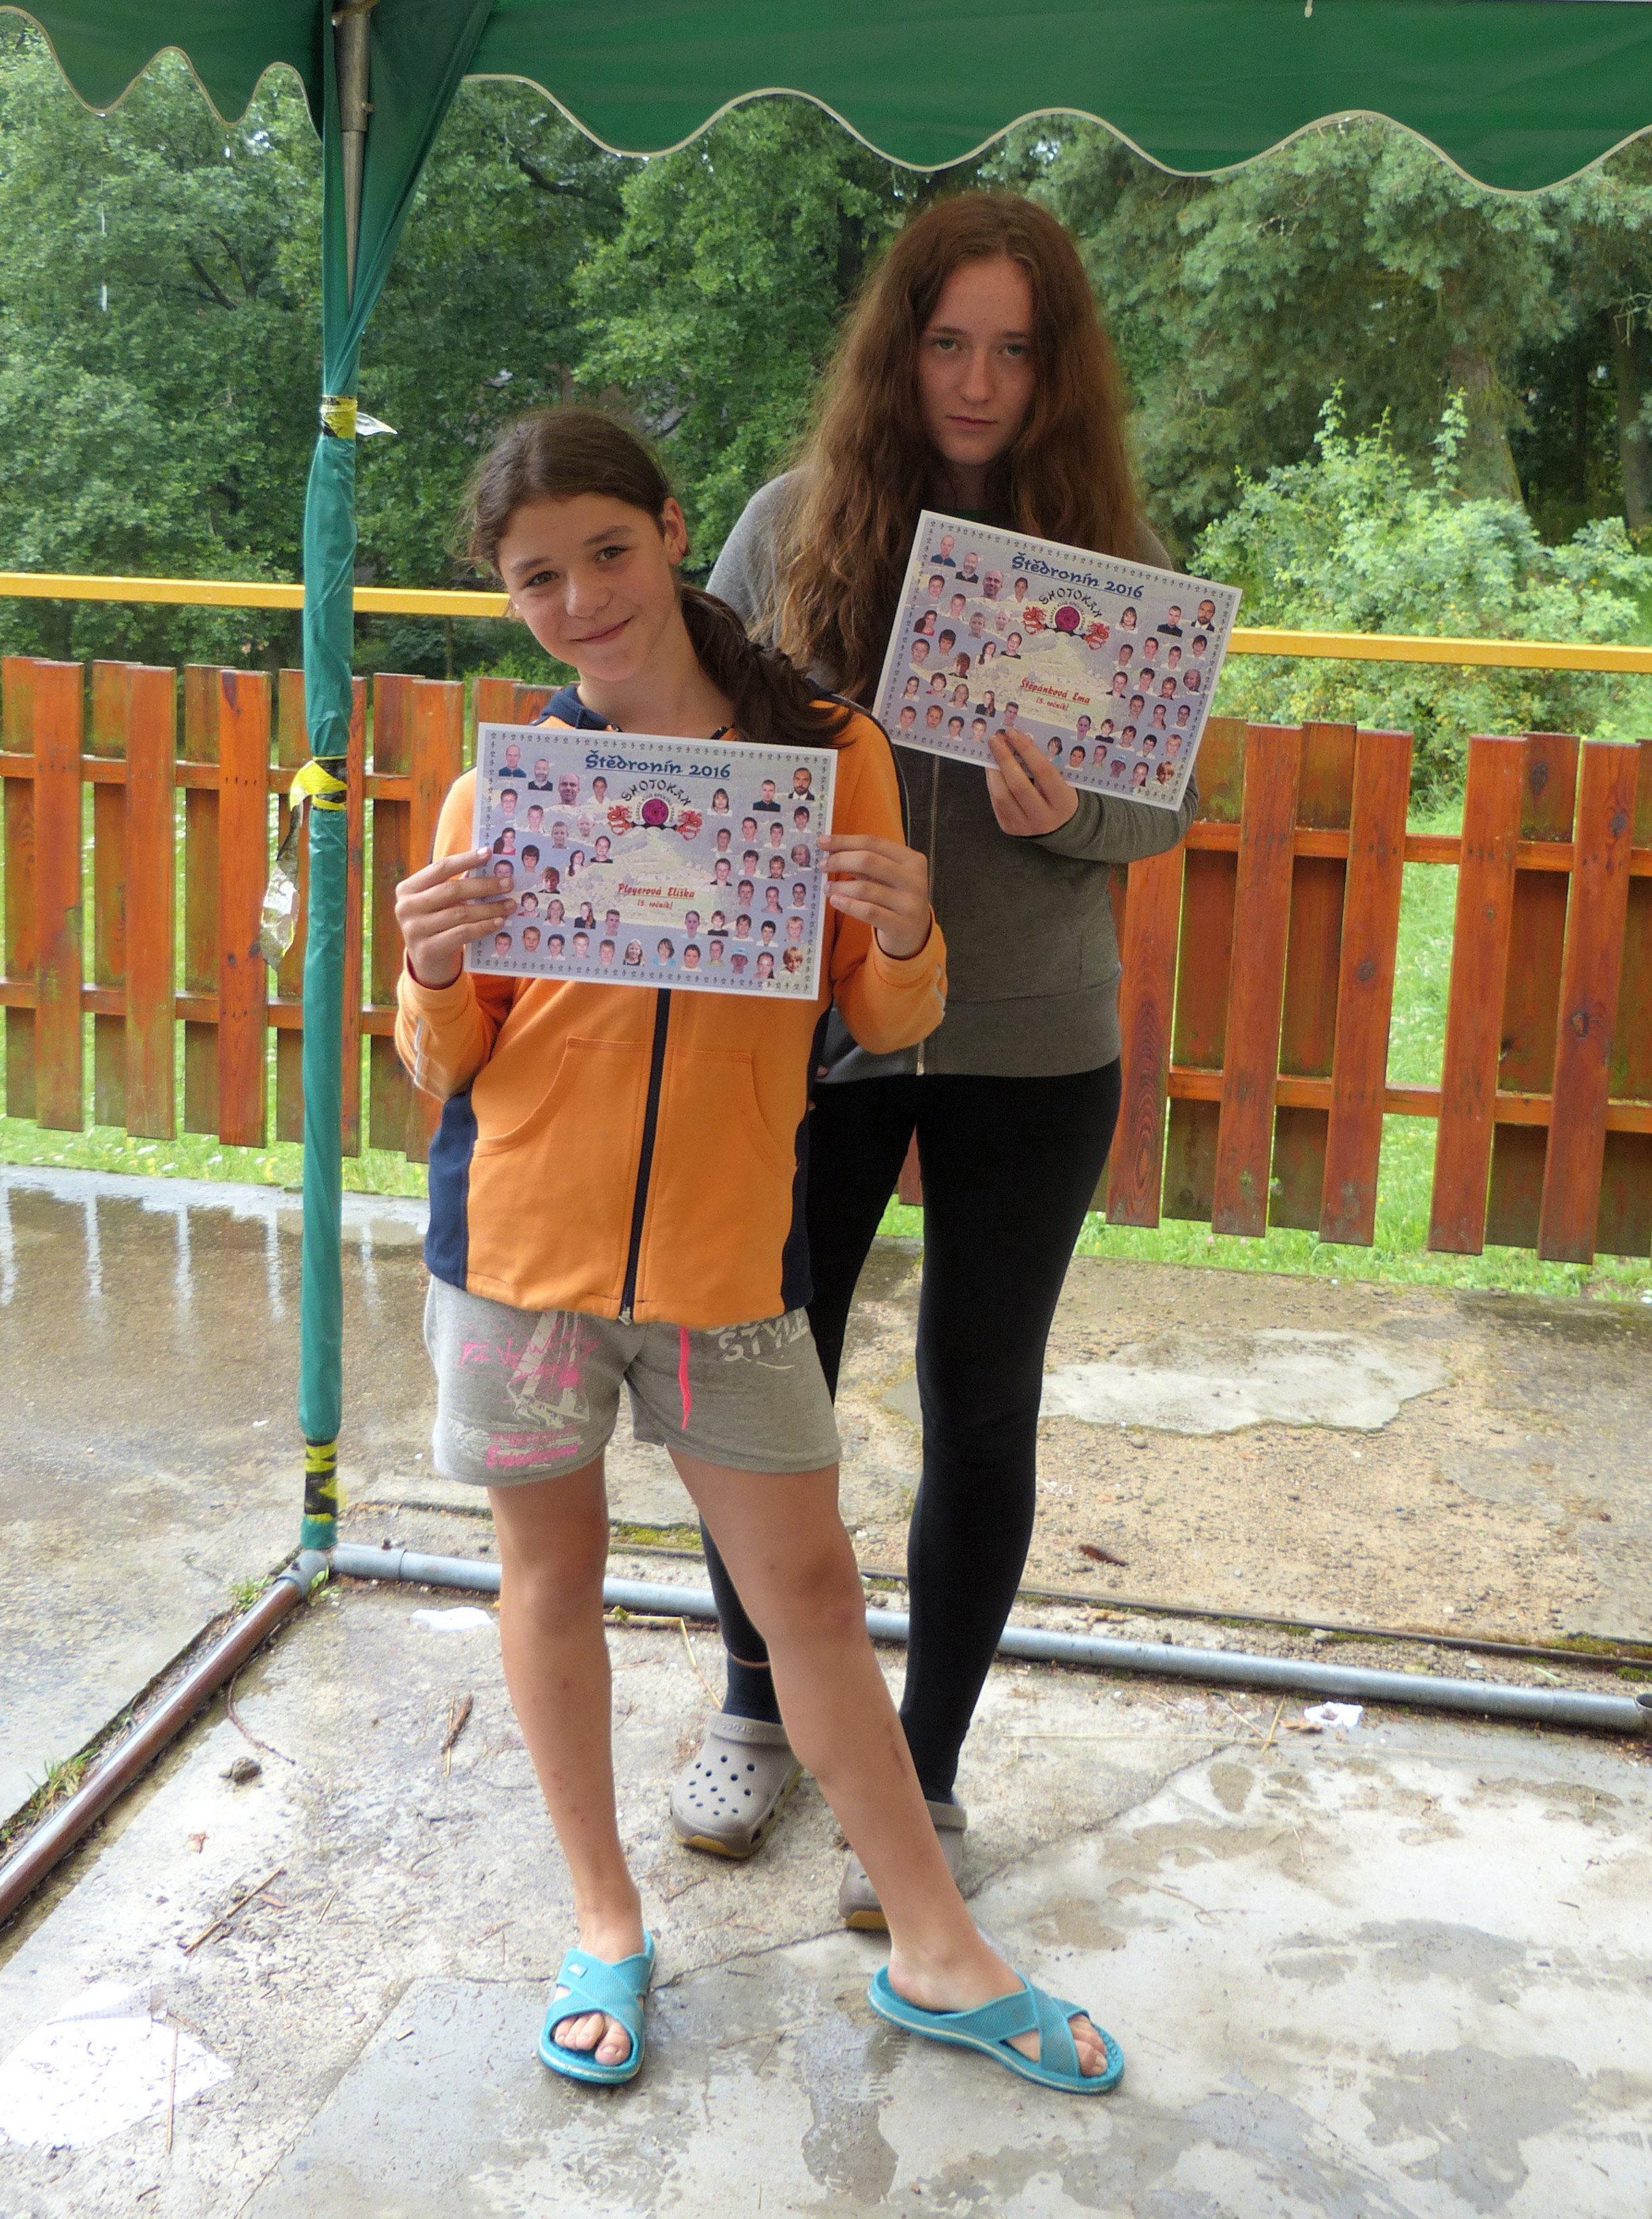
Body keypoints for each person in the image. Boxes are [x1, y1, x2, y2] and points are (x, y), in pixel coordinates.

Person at [397, 405, 1114, 2093]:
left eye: (608, 553)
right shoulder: (503, 790)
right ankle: (604, 1922)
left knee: (809, 1595)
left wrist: (910, 929)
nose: (581, 600)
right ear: (510, 598)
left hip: (727, 1261)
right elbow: (449, 1063)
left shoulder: (823, 754)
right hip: (515, 1261)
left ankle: (935, 1947)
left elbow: (886, 1020)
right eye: (537, 579)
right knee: (547, 1580)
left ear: (672, 530)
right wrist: (426, 966)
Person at [699, 192, 1197, 1963]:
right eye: (945, 342)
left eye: (1012, 349)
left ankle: (924, 1770)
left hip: (1032, 1044)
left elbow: (1157, 807)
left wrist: (1073, 814)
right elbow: (697, 740)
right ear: (895, 351)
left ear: (1055, 371)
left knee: (980, 1404)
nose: (976, 380)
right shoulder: (784, 527)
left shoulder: (1112, 561)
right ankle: (755, 1706)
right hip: (815, 1037)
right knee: (763, 1385)